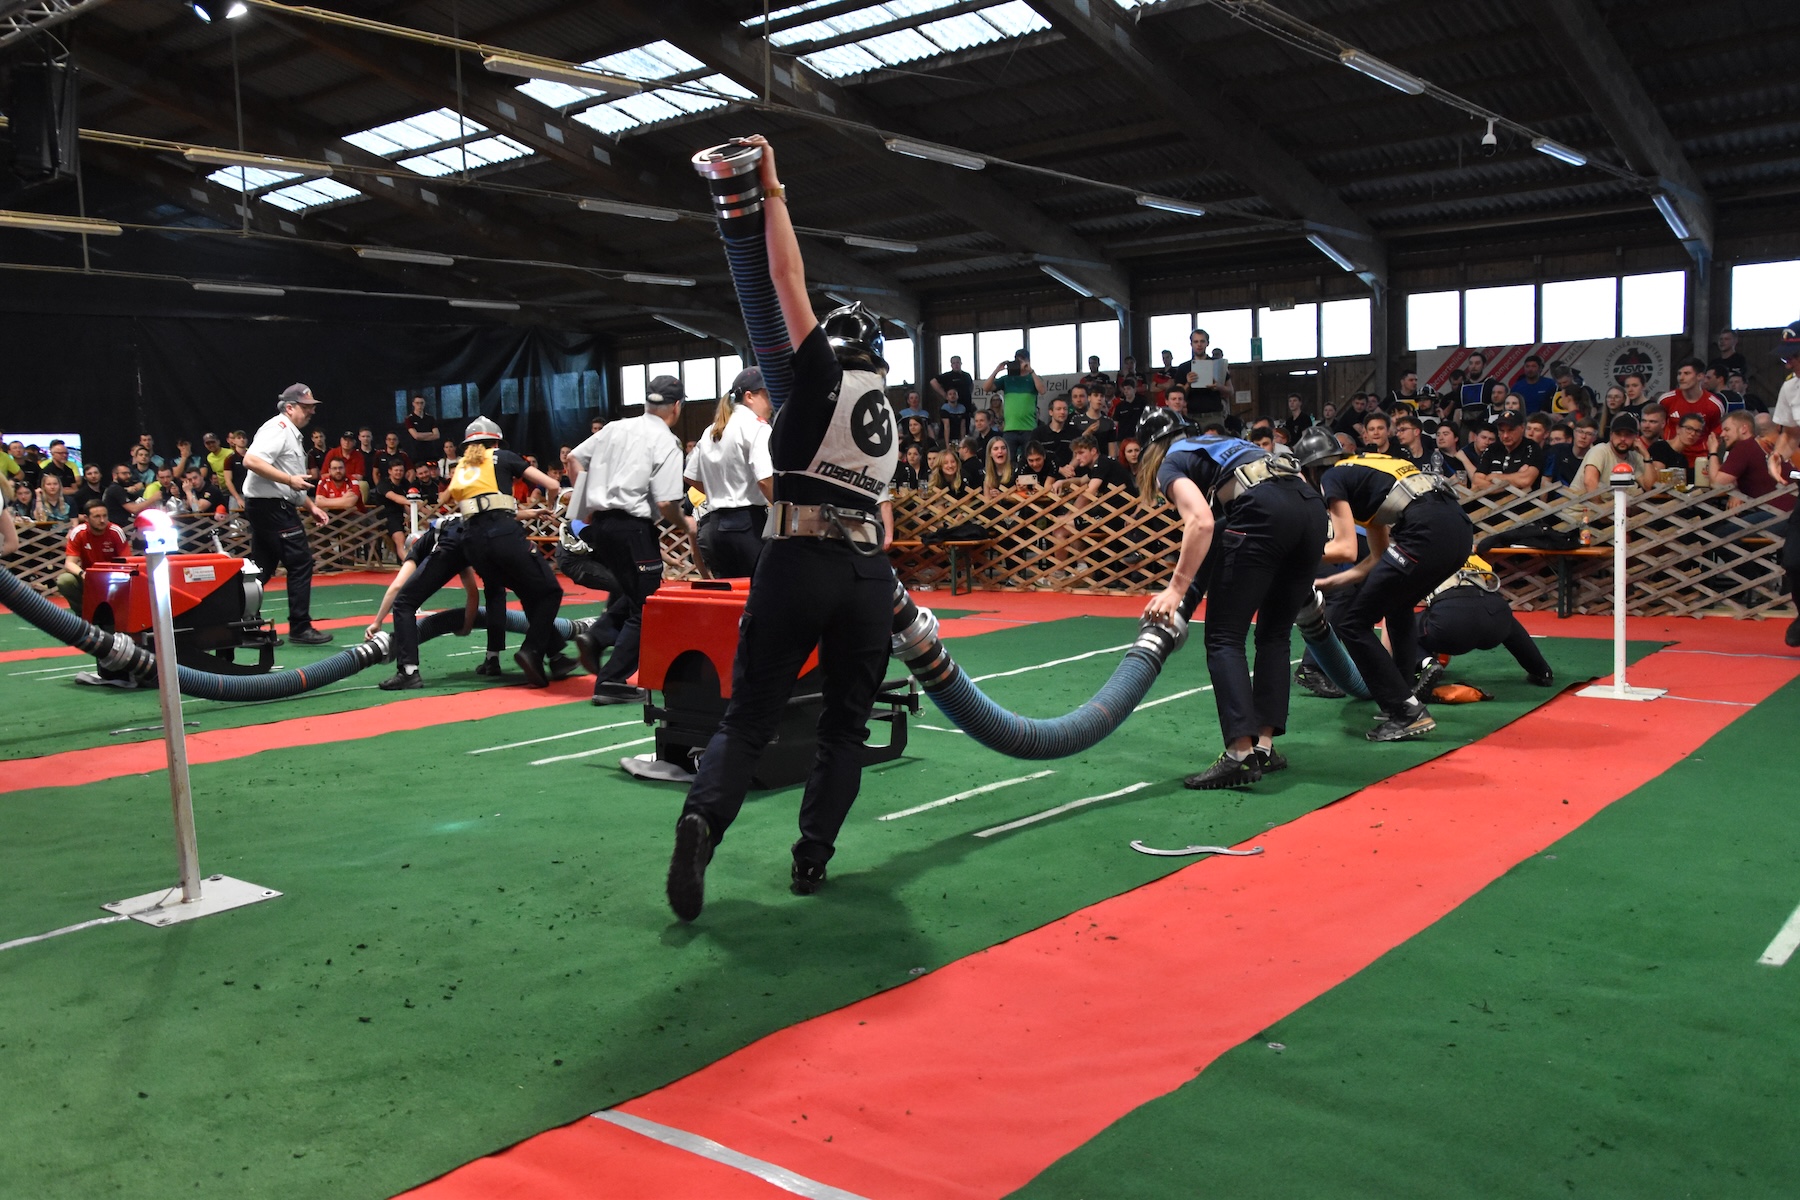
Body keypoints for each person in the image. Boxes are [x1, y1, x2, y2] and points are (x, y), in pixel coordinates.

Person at [669, 134, 898, 922]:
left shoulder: (815, 379)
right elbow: (885, 516)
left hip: (797, 556)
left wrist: (772, 188)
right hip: (867, 574)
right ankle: (812, 858)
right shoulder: (891, 417)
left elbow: (783, 277)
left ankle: (703, 821)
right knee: (846, 726)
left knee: (751, 715)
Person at [1139, 410, 1327, 787]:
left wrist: (1176, 589)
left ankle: (1240, 755)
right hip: (1310, 508)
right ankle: (1264, 748)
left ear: (1151, 449)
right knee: (1274, 635)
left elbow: (1201, 522)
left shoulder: (1172, 461)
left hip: (1265, 510)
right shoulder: (1223, 443)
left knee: (1225, 637)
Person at [1295, 428, 1473, 741]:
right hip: (1458, 532)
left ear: (1310, 469)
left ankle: (1405, 711)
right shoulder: (1364, 469)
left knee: (1353, 624)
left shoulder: (1331, 477)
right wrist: (1331, 582)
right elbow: (1377, 557)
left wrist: (1288, 555)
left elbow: (1345, 548)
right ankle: (1404, 696)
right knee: (1398, 606)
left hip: (1425, 531)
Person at [569, 377, 691, 703]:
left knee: (637, 593)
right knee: (650, 606)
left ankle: (598, 636)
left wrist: (584, 503)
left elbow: (574, 459)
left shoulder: (614, 427)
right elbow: (666, 503)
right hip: (633, 527)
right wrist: (687, 525)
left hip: (601, 525)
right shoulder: (667, 441)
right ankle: (612, 680)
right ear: (677, 407)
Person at [445, 417, 568, 687]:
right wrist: (551, 505)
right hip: (502, 534)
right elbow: (552, 485)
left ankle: (556, 655)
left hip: (473, 542)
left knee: (527, 592)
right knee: (550, 591)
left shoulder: (462, 467)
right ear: (496, 442)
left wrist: (526, 513)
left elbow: (480, 505)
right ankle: (532, 651)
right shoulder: (502, 456)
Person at [241, 385, 335, 645]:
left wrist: (310, 506)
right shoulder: (278, 429)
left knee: (260, 567)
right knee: (300, 562)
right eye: (306, 407)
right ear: (290, 407)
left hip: (267, 505)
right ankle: (300, 627)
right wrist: (289, 480)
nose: (312, 411)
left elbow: (289, 480)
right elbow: (251, 461)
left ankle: (245, 626)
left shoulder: (289, 433)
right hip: (272, 507)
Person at [684, 365, 774, 580]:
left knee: (728, 594)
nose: (771, 403)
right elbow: (765, 480)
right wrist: (783, 507)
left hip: (714, 526)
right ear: (750, 396)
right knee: (759, 591)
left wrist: (718, 490)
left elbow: (690, 476)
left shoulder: (712, 429)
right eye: (767, 395)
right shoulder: (757, 427)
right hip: (747, 526)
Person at [1416, 555, 1554, 687]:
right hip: (1493, 615)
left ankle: (1426, 663)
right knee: (1508, 623)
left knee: (1406, 625)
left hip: (1451, 621)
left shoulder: (1421, 556)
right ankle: (1542, 671)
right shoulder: (1470, 557)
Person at [1767, 320, 1800, 646]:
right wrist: (1777, 455)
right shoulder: (1790, 388)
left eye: (1795, 356)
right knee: (1793, 559)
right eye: (1786, 357)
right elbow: (1790, 434)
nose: (1789, 363)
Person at [57, 498, 131, 616]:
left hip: (113, 579)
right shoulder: (78, 532)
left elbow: (127, 562)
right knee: (65, 580)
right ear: (86, 518)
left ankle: (113, 614)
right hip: (88, 578)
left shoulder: (116, 531)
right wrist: (84, 574)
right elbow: (69, 563)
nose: (102, 520)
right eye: (97, 516)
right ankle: (84, 613)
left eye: (105, 516)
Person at [986, 347, 1042, 462]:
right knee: (1007, 462)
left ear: (1028, 361)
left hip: (1029, 428)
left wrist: (1031, 371)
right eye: (1017, 360)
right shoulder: (1007, 379)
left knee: (1030, 460)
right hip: (1010, 428)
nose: (1019, 363)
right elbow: (986, 388)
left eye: (1022, 360)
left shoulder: (1033, 378)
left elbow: (1042, 390)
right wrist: (997, 370)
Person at [1579, 414, 1658, 492]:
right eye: (1618, 434)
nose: (1622, 438)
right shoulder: (1600, 451)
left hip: (1618, 499)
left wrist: (1646, 455)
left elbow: (1649, 487)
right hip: (1581, 499)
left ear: (1636, 437)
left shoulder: (1635, 456)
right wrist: (1599, 502)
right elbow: (1589, 483)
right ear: (1611, 435)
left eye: (1627, 435)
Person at [1472, 412, 1543, 490]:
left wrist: (1494, 477)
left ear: (1522, 428)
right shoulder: (1492, 448)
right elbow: (1476, 483)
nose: (1505, 436)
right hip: (1489, 497)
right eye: (1501, 431)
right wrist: (1514, 481)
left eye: (1511, 430)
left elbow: (1525, 480)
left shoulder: (1532, 447)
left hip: (1520, 497)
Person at [1174, 328, 1231, 413]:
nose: (1199, 344)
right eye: (1196, 342)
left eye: (1202, 341)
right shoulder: (1183, 367)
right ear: (1191, 344)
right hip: (1192, 414)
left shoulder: (1218, 364)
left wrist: (1219, 387)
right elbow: (1177, 396)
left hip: (1215, 414)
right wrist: (1188, 384)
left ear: (1207, 343)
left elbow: (1230, 391)